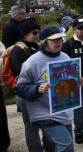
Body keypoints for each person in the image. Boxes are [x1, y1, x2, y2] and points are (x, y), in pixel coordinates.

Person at [17, 26, 83, 152]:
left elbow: (69, 80)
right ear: (44, 42)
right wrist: (37, 88)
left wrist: (78, 82)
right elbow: (20, 88)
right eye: (54, 40)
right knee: (66, 146)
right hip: (44, 114)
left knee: (53, 146)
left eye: (60, 39)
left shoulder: (65, 56)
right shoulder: (31, 62)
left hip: (63, 110)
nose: (58, 42)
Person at [11, 18, 52, 151]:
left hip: (43, 90)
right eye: (34, 32)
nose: (38, 35)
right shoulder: (18, 50)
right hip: (27, 93)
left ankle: (49, 147)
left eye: (39, 32)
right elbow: (21, 74)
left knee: (48, 122)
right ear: (25, 34)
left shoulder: (37, 46)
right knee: (31, 126)